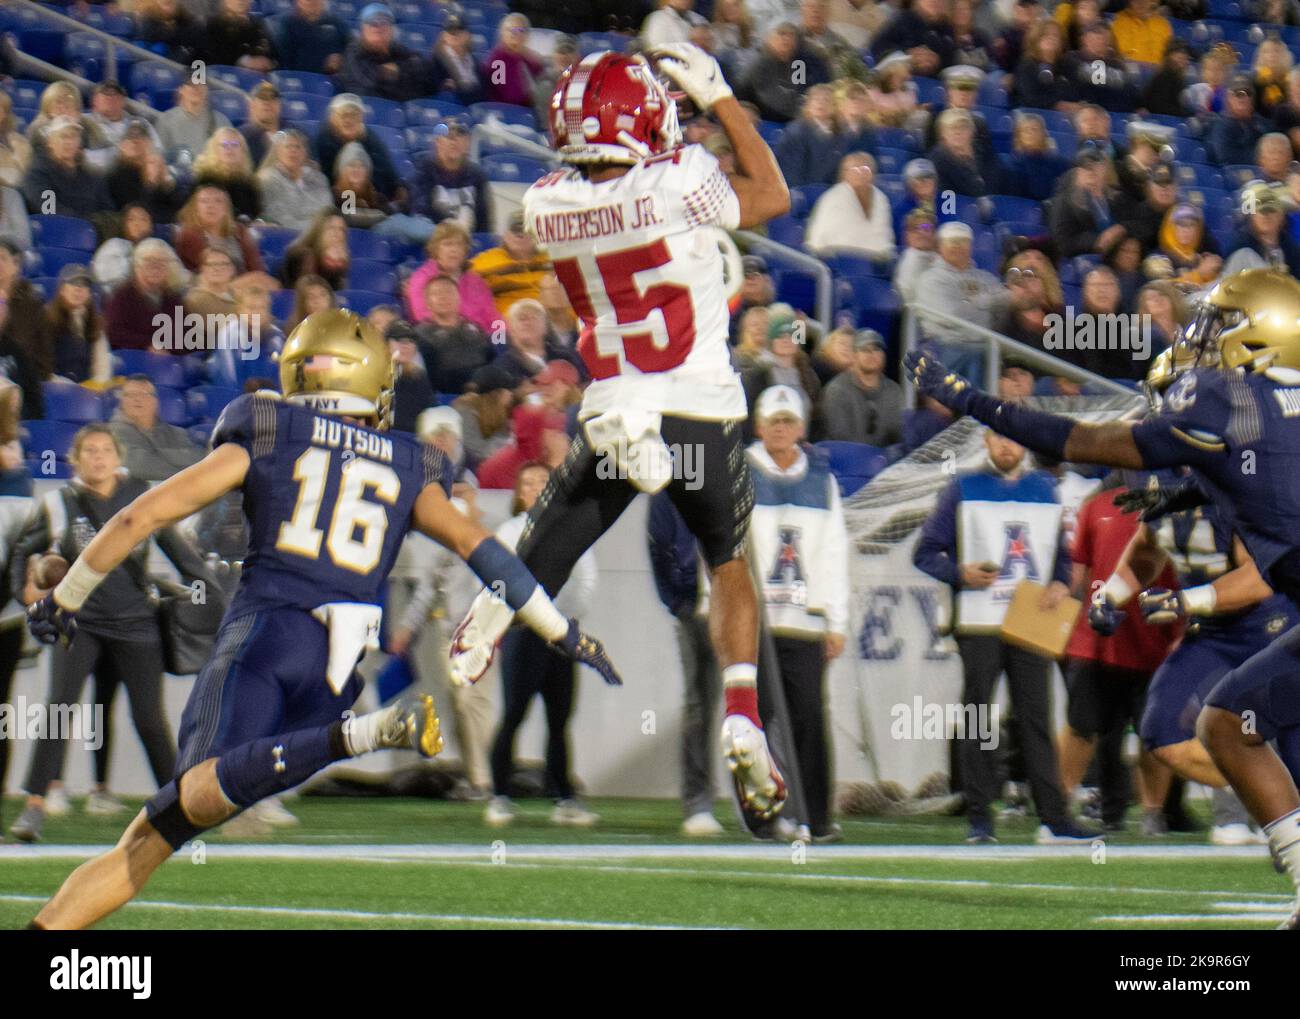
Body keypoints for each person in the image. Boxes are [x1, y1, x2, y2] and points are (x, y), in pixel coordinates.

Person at [18, 309, 620, 927]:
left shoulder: (270, 427)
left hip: (266, 641)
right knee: (157, 832)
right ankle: (353, 734)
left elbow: (138, 517)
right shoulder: (409, 461)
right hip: (337, 676)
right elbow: (483, 548)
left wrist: (67, 596)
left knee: (194, 795)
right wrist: (558, 627)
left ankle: (361, 735)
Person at [448, 43, 794, 831]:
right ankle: (741, 707)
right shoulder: (681, 180)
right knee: (729, 565)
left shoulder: (544, 204)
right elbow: (771, 190)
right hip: (701, 402)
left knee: (551, 531)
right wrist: (723, 98)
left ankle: (497, 609)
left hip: (619, 393)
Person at [905, 268, 1300, 926]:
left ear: (1262, 337)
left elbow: (1081, 439)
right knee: (1229, 721)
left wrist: (974, 400)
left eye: (1223, 325)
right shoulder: (1266, 410)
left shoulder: (1227, 402)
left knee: (1231, 723)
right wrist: (1197, 491)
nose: (1203, 338)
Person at [7, 424, 217, 844]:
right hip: (77, 622)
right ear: (76, 458)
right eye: (89, 450)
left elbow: (182, 555)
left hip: (136, 620)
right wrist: (27, 591)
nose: (98, 457)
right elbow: (22, 552)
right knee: (60, 710)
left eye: (105, 450)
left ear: (117, 456)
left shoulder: (141, 496)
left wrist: (212, 599)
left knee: (149, 718)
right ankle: (34, 808)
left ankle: (181, 809)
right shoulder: (59, 503)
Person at [913, 427, 1092, 844]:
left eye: (1013, 437)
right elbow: (925, 552)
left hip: (1029, 618)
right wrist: (959, 573)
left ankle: (1053, 817)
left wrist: (1061, 585)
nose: (1007, 444)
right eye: (997, 437)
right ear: (986, 442)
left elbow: (1061, 558)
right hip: (979, 621)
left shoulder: (1046, 489)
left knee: (1036, 718)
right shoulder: (963, 487)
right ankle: (979, 816)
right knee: (978, 716)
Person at [748, 384, 849, 841]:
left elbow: (835, 553)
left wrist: (836, 620)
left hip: (804, 621)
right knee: (754, 721)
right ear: (759, 426)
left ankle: (816, 816)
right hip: (754, 622)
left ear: (802, 428)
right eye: (774, 421)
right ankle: (763, 815)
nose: (781, 429)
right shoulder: (739, 474)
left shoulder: (822, 481)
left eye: (788, 421)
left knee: (809, 718)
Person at [484, 461, 599, 827]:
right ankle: (499, 795)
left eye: (544, 481)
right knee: (514, 714)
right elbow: (494, 581)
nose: (537, 487)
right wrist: (529, 615)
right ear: (519, 492)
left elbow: (586, 580)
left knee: (559, 718)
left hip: (560, 635)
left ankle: (564, 796)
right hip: (522, 633)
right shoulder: (509, 532)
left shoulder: (572, 530)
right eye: (529, 481)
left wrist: (560, 621)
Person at [647, 490, 724, 835]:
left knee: (759, 704)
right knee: (699, 705)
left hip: (743, 603)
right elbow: (658, 543)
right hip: (696, 607)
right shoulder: (668, 488)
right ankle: (698, 802)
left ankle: (767, 801)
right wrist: (678, 601)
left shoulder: (740, 469)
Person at [405, 221, 497, 333]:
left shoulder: (476, 281)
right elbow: (422, 316)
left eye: (459, 244)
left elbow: (495, 318)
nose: (454, 250)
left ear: (465, 251)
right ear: (436, 249)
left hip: (479, 342)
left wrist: (500, 343)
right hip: (440, 339)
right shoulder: (421, 278)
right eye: (448, 244)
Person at [110, 375, 204, 482]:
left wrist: (157, 452)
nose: (137, 399)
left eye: (144, 394)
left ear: (155, 402)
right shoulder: (112, 433)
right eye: (130, 395)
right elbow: (139, 466)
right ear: (122, 402)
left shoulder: (177, 433)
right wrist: (184, 472)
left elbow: (196, 458)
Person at [818, 328, 902, 446]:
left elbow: (899, 435)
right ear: (853, 356)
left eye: (876, 349)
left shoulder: (894, 391)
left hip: (884, 459)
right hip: (845, 457)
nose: (871, 354)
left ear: (883, 356)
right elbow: (841, 438)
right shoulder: (836, 389)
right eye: (864, 350)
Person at [804, 151, 895, 259]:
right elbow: (819, 240)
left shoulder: (881, 199)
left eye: (864, 169)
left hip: (876, 265)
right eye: (854, 169)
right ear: (844, 174)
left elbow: (883, 237)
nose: (860, 174)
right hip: (838, 261)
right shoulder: (832, 198)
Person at [21, 118, 112, 225]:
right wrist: (83, 222)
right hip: (54, 231)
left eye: (73, 136)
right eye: (63, 136)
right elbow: (49, 209)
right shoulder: (38, 172)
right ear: (50, 143)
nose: (68, 142)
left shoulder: (92, 174)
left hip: (93, 232)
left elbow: (108, 209)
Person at [409, 119, 492, 236]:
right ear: (438, 142)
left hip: (467, 244)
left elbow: (484, 225)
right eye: (448, 136)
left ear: (467, 143)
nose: (454, 141)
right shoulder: (425, 168)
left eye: (460, 136)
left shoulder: (477, 175)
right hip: (431, 240)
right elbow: (419, 215)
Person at [103, 239, 188, 352]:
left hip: (169, 361)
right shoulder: (122, 295)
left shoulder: (173, 298)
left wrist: (168, 349)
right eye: (149, 261)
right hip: (132, 359)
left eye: (162, 263)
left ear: (168, 270)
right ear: (137, 266)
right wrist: (149, 344)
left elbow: (187, 334)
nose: (155, 267)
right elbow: (113, 333)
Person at [315, 93, 400, 202]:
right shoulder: (323, 140)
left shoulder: (371, 139)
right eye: (344, 115)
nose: (349, 120)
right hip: (339, 205)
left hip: (372, 204)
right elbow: (324, 184)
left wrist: (399, 189)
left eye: (354, 115)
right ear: (333, 118)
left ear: (361, 118)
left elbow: (389, 174)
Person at [339, 2, 431, 102]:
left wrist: (397, 69)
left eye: (384, 22)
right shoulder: (353, 50)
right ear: (363, 29)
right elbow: (370, 82)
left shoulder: (394, 47)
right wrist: (403, 76)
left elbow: (421, 64)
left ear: (392, 30)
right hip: (366, 109)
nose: (379, 27)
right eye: (372, 23)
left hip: (399, 109)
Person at [415, 275, 492, 394]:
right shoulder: (420, 335)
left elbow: (491, 359)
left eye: (448, 292)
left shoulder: (475, 328)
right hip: (448, 397)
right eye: (436, 293)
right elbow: (429, 378)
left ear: (459, 298)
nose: (443, 297)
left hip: (486, 391)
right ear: (427, 302)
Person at [470, 211, 552, 317]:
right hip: (503, 324)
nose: (519, 235)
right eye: (515, 230)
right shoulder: (484, 261)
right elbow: (463, 283)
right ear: (505, 235)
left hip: (545, 322)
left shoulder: (551, 261)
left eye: (526, 231)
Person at [39, 264, 106, 385]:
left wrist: (95, 386)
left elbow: (101, 366)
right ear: (62, 289)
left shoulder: (95, 322)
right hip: (54, 388)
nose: (78, 289)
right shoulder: (46, 319)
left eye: (84, 285)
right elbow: (42, 367)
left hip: (86, 391)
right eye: (73, 283)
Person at [174, 184, 264, 274]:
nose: (211, 206)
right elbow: (212, 270)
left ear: (226, 208)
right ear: (196, 209)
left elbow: (256, 268)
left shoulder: (240, 230)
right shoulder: (188, 234)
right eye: (204, 201)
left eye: (218, 201)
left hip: (246, 283)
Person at [257, 129, 334, 232]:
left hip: (324, 236)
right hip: (287, 237)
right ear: (278, 152)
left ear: (305, 152)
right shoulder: (268, 180)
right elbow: (282, 221)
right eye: (288, 146)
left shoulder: (319, 179)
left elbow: (328, 213)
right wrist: (318, 229)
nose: (293, 150)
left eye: (298, 147)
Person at [192, 127, 262, 221]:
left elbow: (256, 213)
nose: (229, 149)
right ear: (214, 150)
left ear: (242, 150)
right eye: (224, 145)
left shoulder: (248, 181)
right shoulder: (205, 179)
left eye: (235, 144)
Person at [155, 81, 232, 162]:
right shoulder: (166, 120)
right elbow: (160, 158)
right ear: (181, 89)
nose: (196, 88)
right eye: (191, 85)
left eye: (201, 84)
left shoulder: (221, 121)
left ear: (206, 90)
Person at [481, 13, 544, 107]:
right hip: (505, 110)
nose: (514, 34)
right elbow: (504, 96)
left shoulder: (530, 58)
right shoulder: (498, 59)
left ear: (526, 35)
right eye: (510, 30)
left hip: (527, 108)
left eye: (520, 30)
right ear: (502, 33)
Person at [274, 0, 349, 75]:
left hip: (328, 80)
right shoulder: (287, 23)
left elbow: (352, 48)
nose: (311, 3)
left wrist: (341, 58)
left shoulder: (336, 22)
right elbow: (279, 59)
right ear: (298, 2)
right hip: (296, 79)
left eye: (315, 1)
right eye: (307, 1)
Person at [202, 0, 277, 71]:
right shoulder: (212, 24)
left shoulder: (257, 24)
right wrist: (243, 61)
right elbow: (213, 58)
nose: (241, 0)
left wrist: (264, 62)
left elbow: (267, 58)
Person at [433, 12, 485, 107]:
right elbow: (440, 92)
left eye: (458, 31)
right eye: (450, 32)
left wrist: (459, 88)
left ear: (467, 35)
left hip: (474, 109)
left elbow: (484, 93)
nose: (454, 35)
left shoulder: (473, 61)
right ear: (444, 36)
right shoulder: (437, 60)